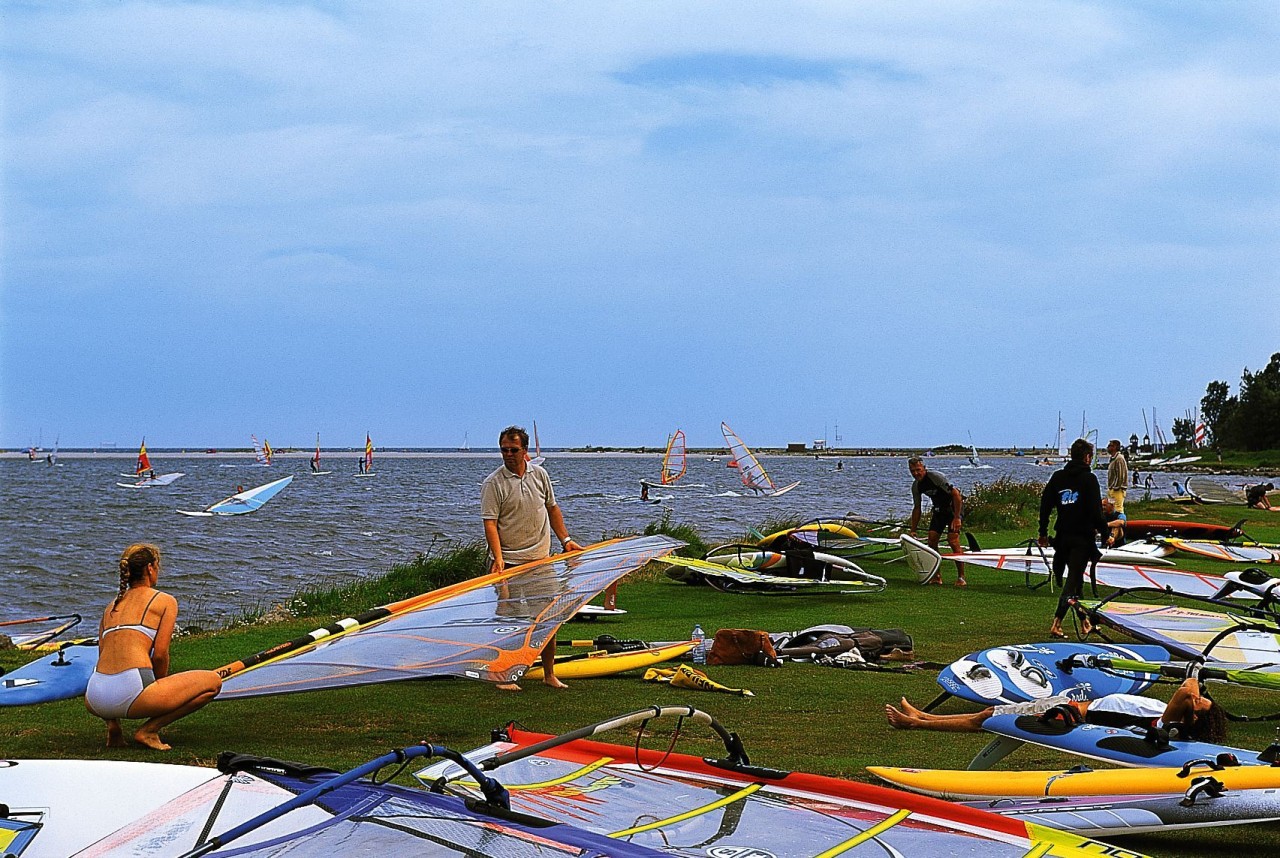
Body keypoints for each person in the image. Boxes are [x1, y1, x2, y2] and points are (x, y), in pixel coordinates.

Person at [84, 544, 222, 750]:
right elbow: (160, 655)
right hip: (132, 690)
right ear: (150, 568)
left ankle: (113, 727)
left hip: (95, 697)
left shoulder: (111, 606)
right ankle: (148, 730)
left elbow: (103, 654)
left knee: (109, 669)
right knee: (213, 682)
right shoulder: (164, 601)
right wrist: (160, 687)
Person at [482, 426, 582, 690]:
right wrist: (498, 558)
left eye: (514, 450)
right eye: (504, 450)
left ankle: (549, 674)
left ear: (525, 451)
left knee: (548, 619)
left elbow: (552, 508)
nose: (508, 455)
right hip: (510, 563)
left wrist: (567, 540)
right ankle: (503, 675)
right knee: (509, 621)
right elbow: (490, 523)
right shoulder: (493, 483)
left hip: (542, 560)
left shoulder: (540, 475)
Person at [885, 675, 1226, 743]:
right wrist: (1196, 701)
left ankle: (915, 725)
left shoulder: (1164, 725)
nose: (1195, 699)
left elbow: (1186, 689)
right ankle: (923, 716)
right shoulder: (1167, 714)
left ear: (1190, 717)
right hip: (1067, 705)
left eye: (1198, 706)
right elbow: (1188, 692)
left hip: (1070, 716)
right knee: (989, 713)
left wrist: (1192, 697)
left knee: (987, 719)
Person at [1039, 438, 1107, 639]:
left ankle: (1085, 622)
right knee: (1073, 581)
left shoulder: (1058, 477)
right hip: (1081, 538)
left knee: (1077, 583)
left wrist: (1042, 531)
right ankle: (1057, 623)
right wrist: (1106, 534)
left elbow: (1045, 506)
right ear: (1087, 457)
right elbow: (1097, 511)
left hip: (1062, 537)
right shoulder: (1089, 479)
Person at [906, 457, 966, 585]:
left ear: (924, 469)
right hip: (939, 511)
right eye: (912, 471)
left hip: (953, 509)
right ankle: (936, 576)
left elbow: (956, 495)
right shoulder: (916, 486)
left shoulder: (935, 477)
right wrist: (913, 530)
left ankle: (961, 577)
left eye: (918, 470)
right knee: (932, 540)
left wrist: (957, 518)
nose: (916, 473)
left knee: (953, 540)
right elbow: (917, 508)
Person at [1105, 439, 1128, 512]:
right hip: (1112, 488)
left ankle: (1121, 522)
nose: (1107, 447)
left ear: (1114, 447)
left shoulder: (1119, 458)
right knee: (1111, 509)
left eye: (1110, 446)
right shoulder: (1113, 458)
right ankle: (1112, 522)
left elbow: (1120, 474)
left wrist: (1116, 487)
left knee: (1118, 509)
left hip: (1117, 490)